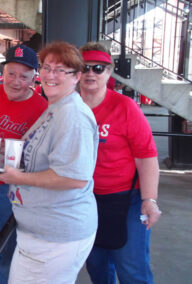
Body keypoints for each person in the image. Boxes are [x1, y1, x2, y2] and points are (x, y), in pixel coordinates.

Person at [0, 41, 99, 284]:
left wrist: (17, 178)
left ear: (77, 77)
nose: (51, 75)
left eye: (61, 70)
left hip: (55, 238)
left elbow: (74, 177)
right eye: (47, 68)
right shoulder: (57, 107)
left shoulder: (73, 116)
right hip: (42, 235)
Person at [79, 42, 161, 284]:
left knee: (132, 268)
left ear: (109, 71)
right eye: (84, 67)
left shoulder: (125, 107)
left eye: (98, 68)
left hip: (126, 199)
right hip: (85, 200)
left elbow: (146, 158)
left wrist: (150, 199)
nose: (91, 73)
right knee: (97, 266)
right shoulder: (68, 107)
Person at [0, 44, 48, 284]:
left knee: (6, 253)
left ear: (34, 78)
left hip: (11, 191)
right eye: (11, 74)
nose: (16, 81)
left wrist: (6, 151)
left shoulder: (42, 108)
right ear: (2, 73)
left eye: (24, 76)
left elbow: (39, 159)